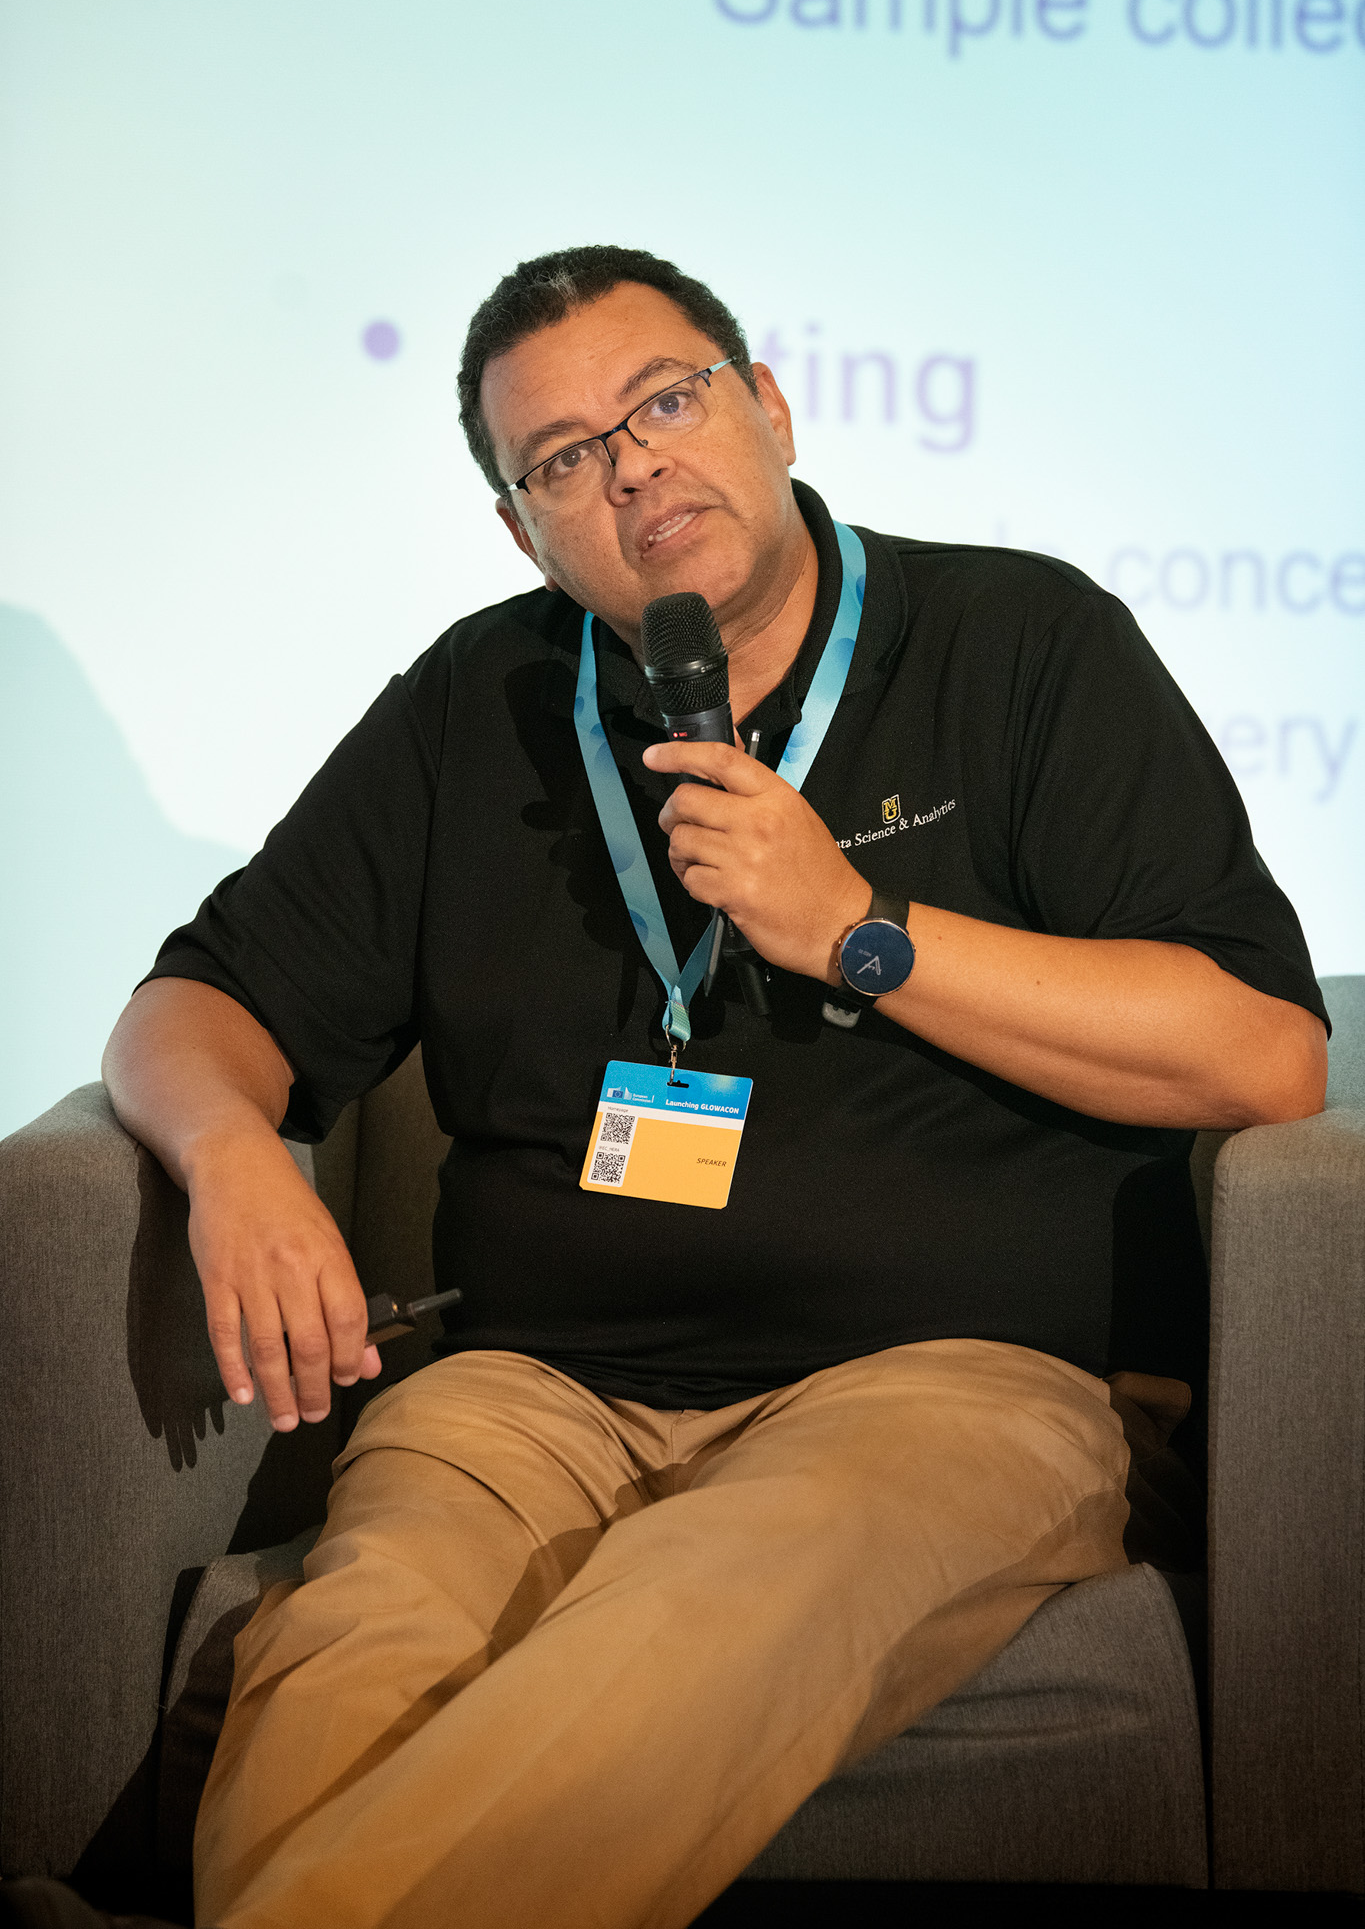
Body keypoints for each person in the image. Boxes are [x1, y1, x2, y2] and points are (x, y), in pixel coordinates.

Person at [5, 246, 1327, 1929]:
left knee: (711, 1595)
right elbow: (196, 1001)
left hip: (956, 1384)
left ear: (768, 406)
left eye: (665, 402)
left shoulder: (1022, 640)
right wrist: (232, 1152)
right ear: (522, 531)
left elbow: (1262, 1054)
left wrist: (854, 930)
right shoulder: (476, 704)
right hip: (532, 1393)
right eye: (561, 457)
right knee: (351, 1645)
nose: (629, 466)